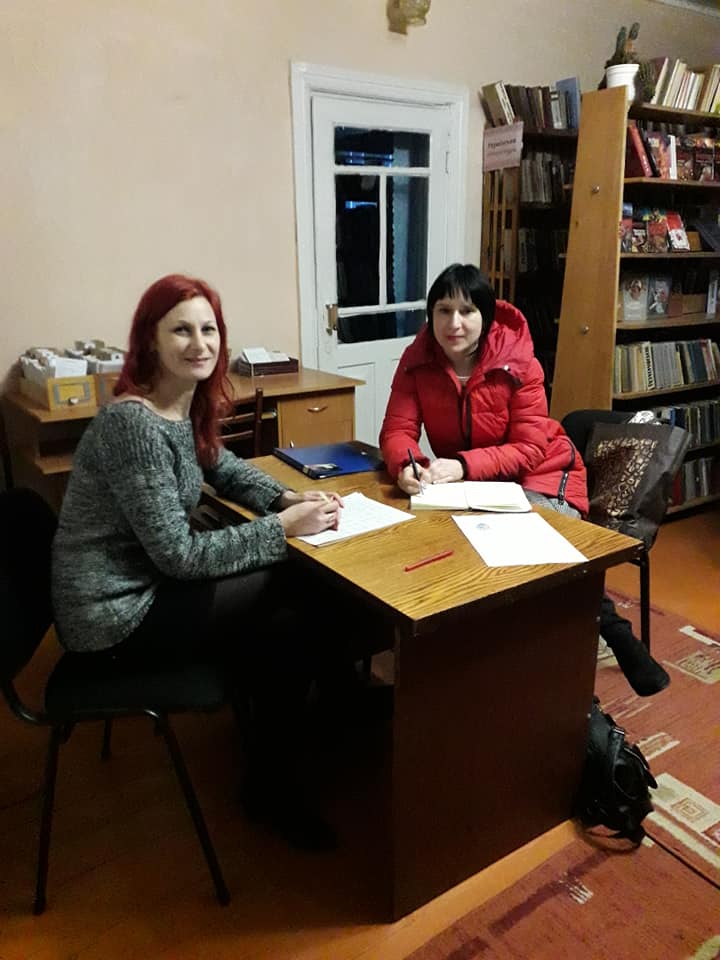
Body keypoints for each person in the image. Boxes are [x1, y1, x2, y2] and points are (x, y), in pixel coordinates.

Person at [51, 273, 349, 850]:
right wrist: (281, 528)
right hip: (113, 616)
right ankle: (272, 781)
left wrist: (284, 497)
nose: (200, 343)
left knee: (289, 610)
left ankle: (297, 725)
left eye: (208, 329)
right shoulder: (134, 424)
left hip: (144, 585)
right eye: (181, 330)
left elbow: (222, 465)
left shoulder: (176, 406)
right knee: (294, 605)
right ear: (151, 339)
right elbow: (181, 557)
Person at [379, 263, 669, 697]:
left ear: (486, 315)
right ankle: (475, 667)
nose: (454, 322)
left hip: (544, 475)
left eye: (467, 310)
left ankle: (588, 671)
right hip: (474, 484)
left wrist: (461, 466)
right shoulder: (417, 360)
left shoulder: (518, 360)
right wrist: (408, 464)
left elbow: (530, 448)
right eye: (443, 310)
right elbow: (398, 428)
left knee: (531, 558)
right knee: (452, 553)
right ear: (430, 315)